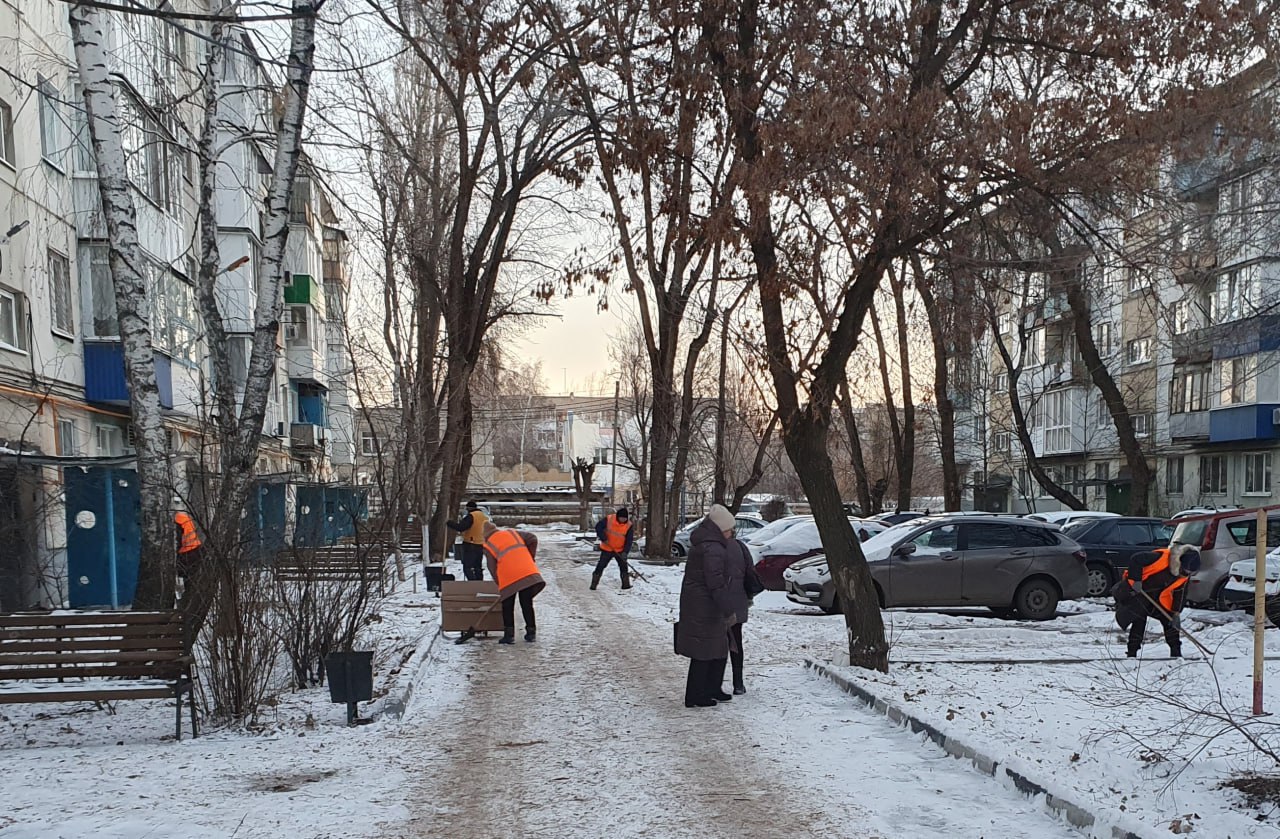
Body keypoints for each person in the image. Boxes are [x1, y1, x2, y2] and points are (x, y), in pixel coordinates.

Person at [675, 504, 745, 708]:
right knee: (704, 650)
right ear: (722, 528)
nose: (732, 533)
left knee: (717, 647)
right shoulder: (712, 548)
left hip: (701, 602)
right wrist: (727, 607)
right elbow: (715, 581)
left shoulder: (709, 544)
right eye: (730, 529)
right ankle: (696, 695)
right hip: (704, 605)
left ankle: (711, 688)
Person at [1114, 544, 1200, 658]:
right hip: (1138, 593)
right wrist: (1136, 580)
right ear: (1179, 562)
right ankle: (1132, 653)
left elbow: (1180, 593)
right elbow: (1136, 559)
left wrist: (1176, 612)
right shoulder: (1159, 557)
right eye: (1185, 570)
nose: (1187, 574)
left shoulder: (1184, 576)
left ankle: (1176, 653)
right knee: (1139, 621)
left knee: (1169, 621)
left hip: (1157, 598)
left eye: (1190, 572)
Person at [481, 522, 545, 644]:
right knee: (526, 603)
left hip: (508, 576)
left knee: (507, 605)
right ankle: (531, 632)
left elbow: (491, 567)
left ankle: (509, 635)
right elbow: (532, 538)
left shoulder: (489, 545)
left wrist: (499, 582)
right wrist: (530, 557)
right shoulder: (512, 533)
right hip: (527, 571)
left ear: (485, 535)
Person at [723, 532, 764, 695]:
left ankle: (714, 683)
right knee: (735, 641)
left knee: (717, 642)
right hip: (738, 600)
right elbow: (750, 572)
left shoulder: (711, 548)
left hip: (717, 601)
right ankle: (738, 683)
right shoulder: (740, 546)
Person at [592, 507, 634, 591]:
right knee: (601, 565)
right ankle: (594, 584)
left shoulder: (629, 525)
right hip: (607, 548)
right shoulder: (609, 519)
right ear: (618, 516)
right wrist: (604, 538)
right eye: (621, 518)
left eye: (625, 518)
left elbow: (629, 540)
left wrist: (625, 552)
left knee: (623, 567)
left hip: (620, 550)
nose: (623, 520)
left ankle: (626, 585)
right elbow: (598, 527)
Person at [446, 500, 489, 581]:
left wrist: (449, 523)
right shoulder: (484, 516)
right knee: (477, 567)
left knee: (467, 567)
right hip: (480, 544)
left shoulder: (471, 516)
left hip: (470, 544)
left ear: (468, 508)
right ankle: (479, 584)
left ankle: (472, 584)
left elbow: (461, 527)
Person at [174, 509, 202, 582]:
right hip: (195, 548)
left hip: (186, 552)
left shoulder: (176, 521)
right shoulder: (182, 517)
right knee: (193, 577)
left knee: (188, 578)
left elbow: (178, 539)